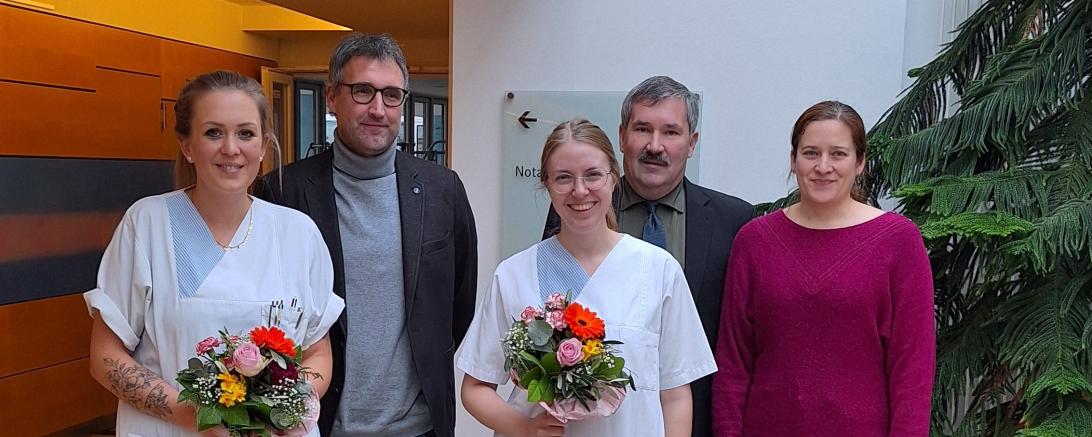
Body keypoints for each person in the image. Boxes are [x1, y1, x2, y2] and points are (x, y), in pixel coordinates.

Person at [85, 70, 344, 436]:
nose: (231, 148)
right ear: (187, 145)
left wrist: (282, 410)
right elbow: (105, 359)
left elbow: (318, 352)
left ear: (264, 145)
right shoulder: (148, 224)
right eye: (213, 133)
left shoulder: (298, 234)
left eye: (245, 133)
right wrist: (196, 416)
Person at [254, 33, 478, 437]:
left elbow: (458, 303)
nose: (378, 109)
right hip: (315, 424)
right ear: (331, 97)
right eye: (363, 91)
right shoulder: (283, 192)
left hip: (420, 428)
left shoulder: (442, 190)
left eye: (392, 95)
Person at [463, 118, 715, 436]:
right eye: (564, 178)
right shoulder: (514, 274)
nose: (580, 190)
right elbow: (474, 386)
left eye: (593, 175)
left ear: (614, 178)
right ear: (546, 184)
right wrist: (524, 428)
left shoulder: (658, 270)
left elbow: (676, 394)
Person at [542, 75, 753, 437]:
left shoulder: (732, 221)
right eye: (643, 129)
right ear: (622, 136)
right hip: (595, 422)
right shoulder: (580, 209)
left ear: (692, 143)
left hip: (697, 419)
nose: (655, 146)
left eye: (671, 132)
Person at [712, 101, 936, 436]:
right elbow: (733, 363)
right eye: (811, 153)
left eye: (838, 154)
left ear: (860, 162)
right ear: (793, 160)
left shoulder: (898, 241)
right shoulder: (755, 241)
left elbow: (912, 369)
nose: (823, 166)